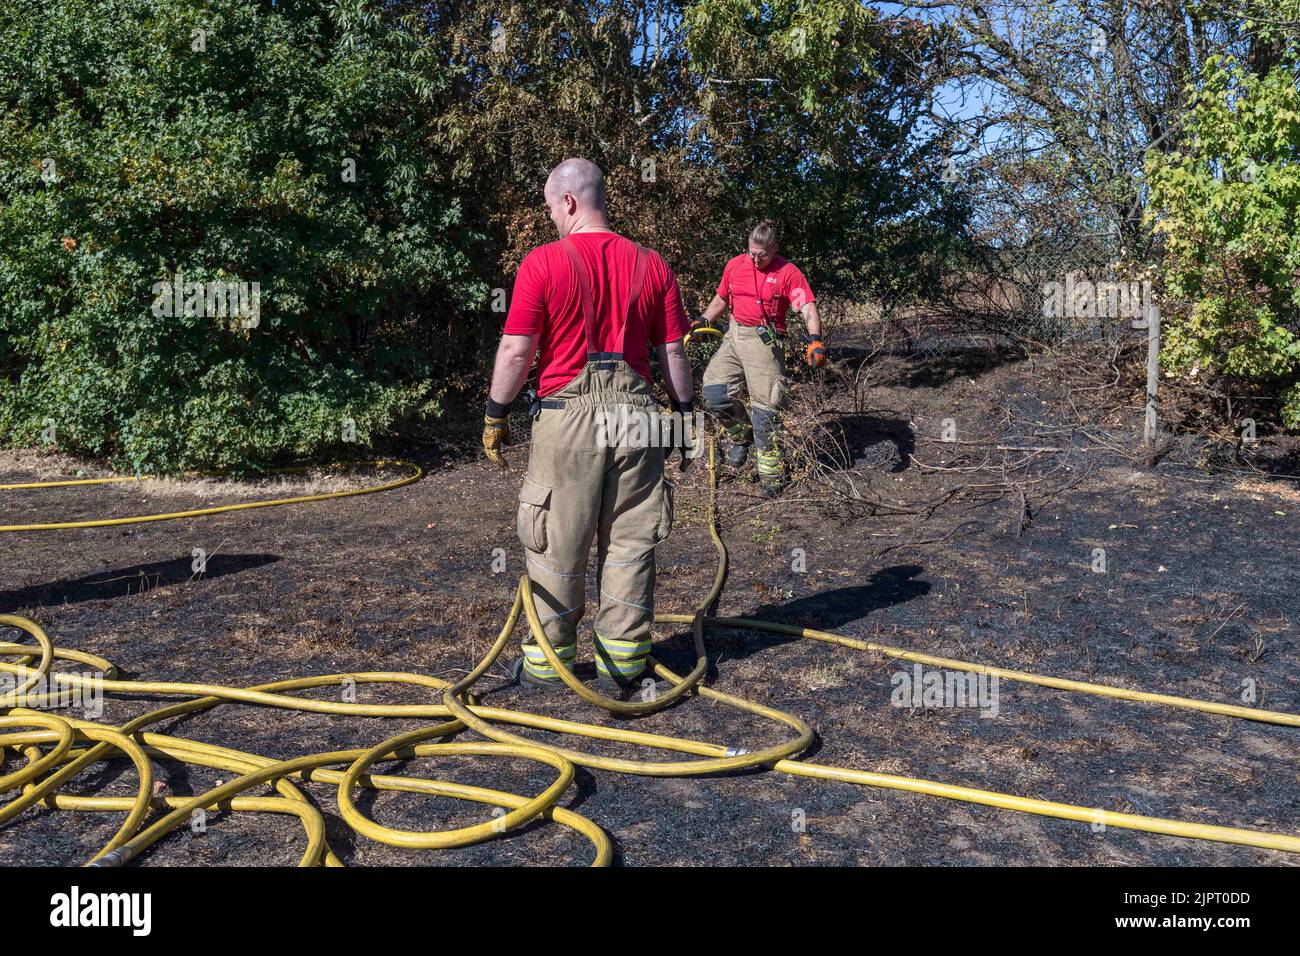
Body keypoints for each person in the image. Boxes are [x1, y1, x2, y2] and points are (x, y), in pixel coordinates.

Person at [481, 157, 695, 696]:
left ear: (569, 202)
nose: (551, 216)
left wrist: (495, 414)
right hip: (639, 418)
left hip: (566, 420)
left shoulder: (542, 263)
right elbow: (672, 350)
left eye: (552, 207)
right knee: (631, 539)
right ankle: (623, 666)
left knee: (557, 539)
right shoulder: (654, 265)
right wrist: (684, 417)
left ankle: (548, 667)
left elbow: (516, 349)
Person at [693, 220, 825, 496]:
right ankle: (741, 435)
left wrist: (815, 340)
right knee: (714, 393)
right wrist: (704, 319)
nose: (755, 259)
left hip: (765, 341)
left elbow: (807, 307)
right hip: (734, 336)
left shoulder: (788, 272)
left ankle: (772, 476)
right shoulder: (735, 265)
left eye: (761, 254)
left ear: (774, 248)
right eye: (751, 252)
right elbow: (722, 298)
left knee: (766, 411)